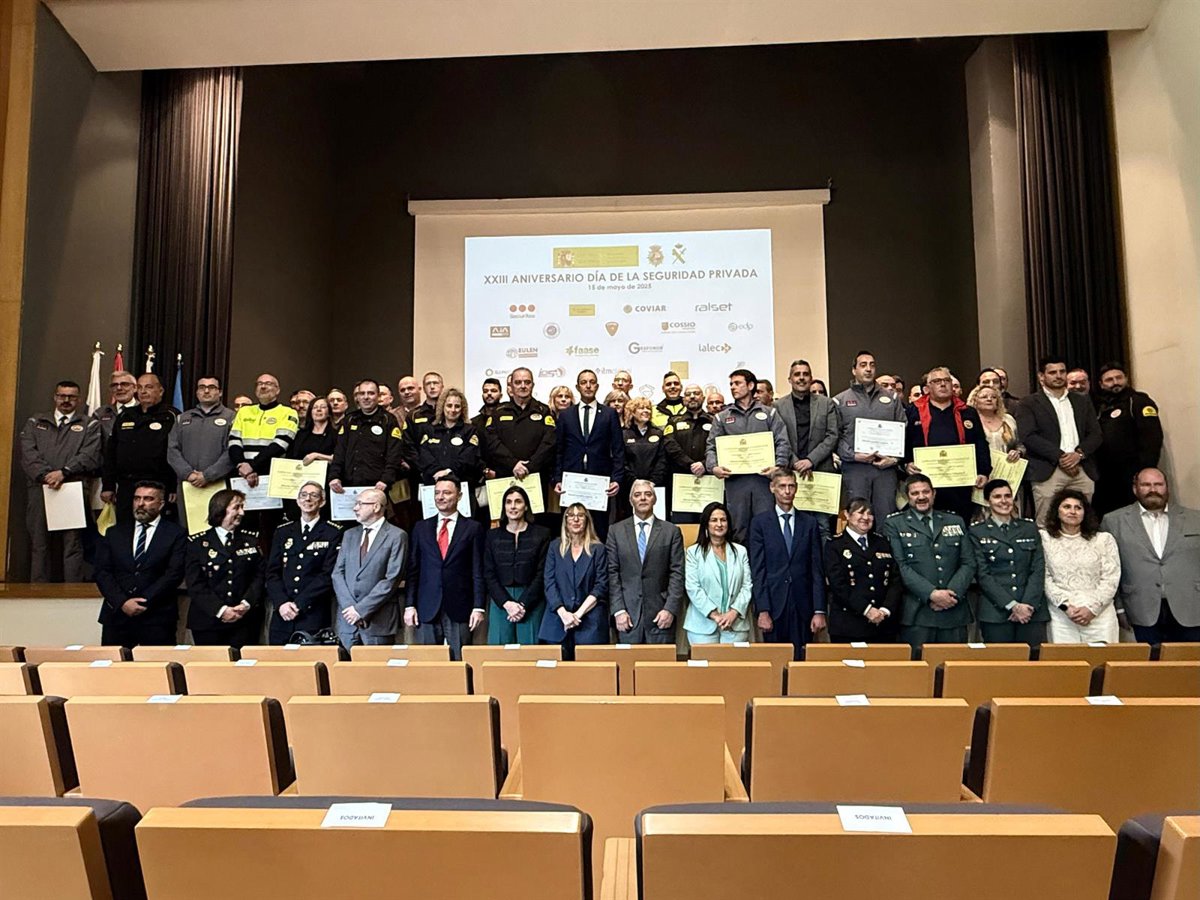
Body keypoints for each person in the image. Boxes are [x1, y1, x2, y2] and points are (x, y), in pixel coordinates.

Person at [1101, 468, 1200, 643]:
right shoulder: (1114, 521)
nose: (1153, 489)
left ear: (1167, 487)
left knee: (1190, 660)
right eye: (1146, 485)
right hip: (1139, 608)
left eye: (1158, 484)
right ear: (1135, 489)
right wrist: (1119, 608)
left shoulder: (1195, 519)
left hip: (1190, 607)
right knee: (1148, 661)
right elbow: (1108, 568)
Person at [20, 380, 102, 581]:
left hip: (71, 488)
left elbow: (89, 455)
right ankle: (38, 591)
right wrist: (46, 476)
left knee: (72, 545)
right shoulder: (35, 422)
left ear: (79, 399)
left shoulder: (89, 424)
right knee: (39, 543)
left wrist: (64, 472)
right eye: (62, 396)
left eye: (71, 397)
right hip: (40, 488)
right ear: (55, 397)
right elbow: (28, 454)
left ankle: (72, 592)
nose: (66, 400)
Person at [882, 474, 976, 651]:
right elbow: (900, 566)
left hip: (953, 611)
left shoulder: (955, 521)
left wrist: (951, 595)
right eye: (915, 493)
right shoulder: (895, 524)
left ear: (934, 493)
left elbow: (968, 563)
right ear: (907, 497)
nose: (921, 497)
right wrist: (932, 594)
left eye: (925, 492)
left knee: (954, 665)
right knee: (917, 666)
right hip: (917, 613)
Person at [94, 481, 186, 647]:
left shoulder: (176, 534)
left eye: (148, 499)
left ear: (161, 504)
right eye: (137, 498)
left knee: (157, 664)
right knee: (115, 663)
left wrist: (143, 601)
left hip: (157, 617)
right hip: (117, 616)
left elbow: (174, 574)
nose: (141, 504)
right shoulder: (114, 532)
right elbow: (102, 572)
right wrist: (123, 602)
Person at [1014, 357, 1103, 526]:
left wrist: (1078, 455)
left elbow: (1096, 434)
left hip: (1082, 468)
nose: (1058, 376)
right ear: (1041, 376)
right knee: (1046, 523)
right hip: (1048, 469)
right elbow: (1029, 436)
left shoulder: (1082, 400)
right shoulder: (1029, 403)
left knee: (1083, 523)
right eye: (1052, 372)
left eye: (1062, 371)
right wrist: (1061, 457)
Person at [748, 468, 826, 658]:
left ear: (796, 488)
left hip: (803, 606)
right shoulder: (759, 523)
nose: (787, 491)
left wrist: (819, 610)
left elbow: (816, 570)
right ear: (772, 488)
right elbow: (758, 570)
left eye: (791, 486)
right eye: (782, 486)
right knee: (775, 661)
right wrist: (763, 610)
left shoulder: (809, 523)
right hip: (774, 605)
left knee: (801, 662)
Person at [404, 478, 486, 659]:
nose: (440, 497)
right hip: (427, 606)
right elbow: (413, 570)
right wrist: (409, 605)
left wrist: (478, 607)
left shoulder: (473, 528)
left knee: (461, 661)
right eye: (437, 493)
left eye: (447, 493)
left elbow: (478, 570)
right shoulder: (420, 528)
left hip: (460, 606)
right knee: (429, 663)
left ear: (459, 496)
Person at [706, 369, 790, 543]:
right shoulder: (722, 417)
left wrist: (778, 466)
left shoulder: (770, 413)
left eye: (737, 383)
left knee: (767, 528)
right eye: (731, 384)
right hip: (736, 483)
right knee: (738, 530)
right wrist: (714, 467)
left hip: (764, 481)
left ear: (751, 385)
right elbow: (711, 446)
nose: (733, 387)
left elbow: (782, 442)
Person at [903, 366, 991, 522]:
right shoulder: (913, 411)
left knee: (960, 522)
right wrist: (907, 463)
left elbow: (980, 443)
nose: (943, 384)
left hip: (960, 482)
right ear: (927, 388)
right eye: (937, 381)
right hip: (925, 483)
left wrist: (983, 471)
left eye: (946, 380)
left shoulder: (967, 411)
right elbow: (905, 441)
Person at [969, 479, 1048, 647]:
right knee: (1000, 661)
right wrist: (1012, 606)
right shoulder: (977, 531)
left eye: (1007, 496)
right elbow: (983, 575)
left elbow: (1038, 569)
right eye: (997, 497)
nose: (1004, 501)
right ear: (987, 501)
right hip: (996, 611)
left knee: (1034, 660)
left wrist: (1027, 605)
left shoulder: (1029, 528)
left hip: (1031, 610)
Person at [607, 479, 685, 644]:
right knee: (629, 661)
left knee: (660, 662)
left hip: (661, 615)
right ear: (631, 500)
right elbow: (612, 573)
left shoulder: (671, 531)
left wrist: (670, 609)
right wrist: (618, 610)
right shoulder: (615, 531)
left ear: (655, 499)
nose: (642, 498)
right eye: (637, 495)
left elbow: (677, 573)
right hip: (627, 616)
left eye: (648, 494)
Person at [184, 488, 265, 648]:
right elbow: (195, 584)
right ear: (220, 509)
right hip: (208, 621)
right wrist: (221, 610)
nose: (242, 512)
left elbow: (260, 576)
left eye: (242, 507)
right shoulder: (197, 544)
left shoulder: (251, 541)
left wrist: (246, 603)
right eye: (236, 507)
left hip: (244, 620)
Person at [265, 481, 342, 644]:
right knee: (278, 657)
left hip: (312, 613)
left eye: (314, 495)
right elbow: (272, 572)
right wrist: (282, 603)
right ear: (298, 500)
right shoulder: (283, 531)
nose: (308, 499)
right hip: (283, 613)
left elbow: (327, 575)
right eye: (304, 495)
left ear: (322, 502)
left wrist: (299, 604)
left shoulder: (333, 532)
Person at [834, 351, 906, 522]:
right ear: (854, 370)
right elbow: (835, 435)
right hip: (855, 469)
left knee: (886, 518)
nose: (868, 369)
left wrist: (894, 459)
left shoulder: (892, 398)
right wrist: (853, 456)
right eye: (863, 365)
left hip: (885, 469)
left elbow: (903, 429)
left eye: (872, 365)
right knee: (858, 517)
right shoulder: (840, 400)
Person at [1041, 488, 1120, 643]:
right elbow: (1044, 578)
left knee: (1103, 658)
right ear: (1057, 511)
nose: (1073, 511)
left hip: (1100, 615)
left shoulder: (1104, 540)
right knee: (1067, 659)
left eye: (1078, 507)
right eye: (1067, 507)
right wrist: (1067, 608)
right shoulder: (1044, 539)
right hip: (1062, 616)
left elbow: (1111, 578)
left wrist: (1092, 609)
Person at [332, 487, 407, 648]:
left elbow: (392, 578)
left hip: (378, 621)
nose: (355, 508)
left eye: (360, 504)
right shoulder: (349, 534)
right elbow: (337, 573)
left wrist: (360, 610)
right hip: (347, 621)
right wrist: (350, 608)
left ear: (376, 506)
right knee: (344, 664)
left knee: (376, 664)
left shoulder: (397, 536)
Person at [774, 359, 840, 537]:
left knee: (823, 527)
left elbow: (832, 435)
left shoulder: (826, 404)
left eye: (805, 374)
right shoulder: (778, 406)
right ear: (790, 379)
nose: (801, 378)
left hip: (821, 472)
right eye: (797, 374)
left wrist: (810, 460)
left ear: (811, 378)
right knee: (794, 528)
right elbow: (779, 438)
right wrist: (796, 462)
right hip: (791, 473)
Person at [101, 373, 177, 524]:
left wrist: (173, 487)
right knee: (125, 529)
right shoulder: (125, 415)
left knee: (156, 529)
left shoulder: (172, 416)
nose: (143, 391)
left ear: (160, 391)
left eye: (149, 387)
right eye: (140, 387)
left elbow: (177, 452)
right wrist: (108, 485)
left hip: (158, 484)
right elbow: (111, 453)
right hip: (126, 485)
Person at [553, 369, 623, 533]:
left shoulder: (609, 414)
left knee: (598, 529)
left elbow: (618, 450)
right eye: (584, 382)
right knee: (573, 527)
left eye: (592, 382)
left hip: (600, 481)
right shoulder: (566, 415)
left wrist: (617, 479)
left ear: (597, 386)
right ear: (578, 387)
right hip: (571, 481)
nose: (588, 386)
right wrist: (557, 479)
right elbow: (558, 450)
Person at [823, 497, 902, 643]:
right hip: (849, 626)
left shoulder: (882, 542)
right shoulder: (834, 545)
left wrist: (885, 610)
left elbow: (895, 580)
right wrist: (867, 610)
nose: (865, 518)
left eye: (870, 514)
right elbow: (838, 585)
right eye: (860, 513)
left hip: (883, 625)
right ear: (847, 515)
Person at [484, 484, 552, 645]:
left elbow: (542, 573)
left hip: (531, 599)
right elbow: (488, 573)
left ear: (526, 506)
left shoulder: (542, 533)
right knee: (499, 651)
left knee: (531, 651)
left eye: (518, 501)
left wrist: (523, 604)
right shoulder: (492, 536)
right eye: (508, 502)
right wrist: (507, 603)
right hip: (501, 600)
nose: (513, 506)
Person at [1093, 363, 1163, 516]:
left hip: (1132, 475)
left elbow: (1152, 439)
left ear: (1126, 379)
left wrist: (1144, 472)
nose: (1115, 382)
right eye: (1109, 380)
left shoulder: (1139, 402)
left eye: (1118, 378)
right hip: (1105, 477)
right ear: (1101, 384)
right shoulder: (1100, 408)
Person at [485, 367, 557, 517]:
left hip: (535, 476)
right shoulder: (499, 412)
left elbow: (549, 443)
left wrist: (529, 466)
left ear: (533, 385)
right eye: (518, 382)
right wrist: (513, 464)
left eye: (527, 382)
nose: (523, 386)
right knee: (507, 520)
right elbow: (492, 442)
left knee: (537, 521)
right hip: (506, 475)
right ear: (510, 386)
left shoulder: (543, 410)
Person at [167, 375, 235, 533]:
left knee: (218, 528)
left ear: (220, 392)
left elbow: (231, 451)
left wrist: (208, 475)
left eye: (212, 387)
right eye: (202, 387)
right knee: (186, 530)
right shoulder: (182, 418)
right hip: (187, 485)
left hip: (217, 484)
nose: (206, 391)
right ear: (197, 392)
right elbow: (172, 450)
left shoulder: (232, 417)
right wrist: (188, 474)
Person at [540, 503, 609, 657]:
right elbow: (549, 583)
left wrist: (577, 615)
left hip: (590, 622)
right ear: (565, 521)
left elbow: (601, 586)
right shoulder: (554, 547)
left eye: (580, 515)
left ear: (587, 520)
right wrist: (564, 614)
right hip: (557, 620)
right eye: (571, 515)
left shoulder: (598, 549)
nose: (576, 519)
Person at [683, 501, 752, 645]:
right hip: (702, 627)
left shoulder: (741, 552)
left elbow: (747, 586)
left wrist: (733, 612)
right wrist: (715, 615)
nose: (719, 524)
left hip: (735, 625)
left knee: (734, 661)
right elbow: (693, 587)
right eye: (714, 520)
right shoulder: (693, 553)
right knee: (706, 661)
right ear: (706, 524)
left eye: (723, 520)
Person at [328, 379, 403, 497]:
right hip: (349, 485)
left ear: (378, 396)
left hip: (378, 485)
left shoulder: (388, 420)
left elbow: (394, 453)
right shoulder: (349, 420)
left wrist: (386, 479)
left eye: (371, 393)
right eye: (362, 393)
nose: (366, 397)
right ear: (357, 397)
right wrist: (334, 476)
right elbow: (340, 451)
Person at [227, 373, 299, 490]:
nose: (263, 386)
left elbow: (281, 444)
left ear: (277, 390)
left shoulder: (288, 412)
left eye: (268, 383)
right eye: (260, 383)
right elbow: (234, 441)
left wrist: (252, 466)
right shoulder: (244, 411)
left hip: (271, 474)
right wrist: (241, 465)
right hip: (242, 475)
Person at [663, 383, 713, 524]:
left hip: (708, 481)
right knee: (683, 524)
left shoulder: (714, 421)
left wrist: (704, 464)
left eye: (696, 393)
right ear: (683, 399)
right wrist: (690, 464)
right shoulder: (673, 421)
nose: (692, 397)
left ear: (703, 397)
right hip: (681, 482)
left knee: (708, 522)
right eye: (688, 394)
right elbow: (670, 445)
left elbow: (718, 446)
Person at [621, 395, 667, 498]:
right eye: (641, 408)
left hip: (654, 486)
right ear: (632, 412)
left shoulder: (658, 433)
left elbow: (662, 460)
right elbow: (622, 460)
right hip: (629, 486)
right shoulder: (623, 434)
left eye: (648, 408)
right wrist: (633, 481)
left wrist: (653, 481)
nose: (646, 411)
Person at [93, 370, 139, 441]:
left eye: (124, 384)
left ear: (135, 388)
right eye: (114, 385)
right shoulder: (100, 413)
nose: (119, 388)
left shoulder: (145, 410)